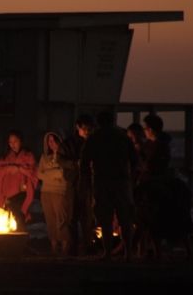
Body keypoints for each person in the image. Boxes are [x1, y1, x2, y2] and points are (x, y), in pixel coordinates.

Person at [82, 111, 135, 261]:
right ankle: (128, 253)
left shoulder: (94, 138)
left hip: (102, 181)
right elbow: (134, 159)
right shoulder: (123, 137)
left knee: (105, 218)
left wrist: (85, 182)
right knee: (125, 217)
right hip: (121, 182)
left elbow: (85, 162)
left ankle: (108, 253)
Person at [0, 130, 37, 231]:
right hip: (8, 195)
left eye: (15, 141)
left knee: (20, 221)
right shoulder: (6, 157)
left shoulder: (28, 156)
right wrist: (10, 168)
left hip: (21, 194)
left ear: (21, 141)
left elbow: (33, 173)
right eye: (10, 142)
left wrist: (20, 169)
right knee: (10, 223)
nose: (13, 145)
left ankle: (22, 244)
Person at [37, 132, 75, 256]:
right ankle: (54, 246)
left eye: (54, 140)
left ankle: (65, 246)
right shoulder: (44, 157)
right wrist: (54, 173)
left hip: (60, 191)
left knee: (61, 219)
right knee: (50, 220)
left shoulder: (64, 157)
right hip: (46, 191)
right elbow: (39, 174)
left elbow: (63, 174)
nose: (52, 143)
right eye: (49, 141)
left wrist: (49, 173)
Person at [65, 114, 96, 255]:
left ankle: (88, 246)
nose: (87, 131)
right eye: (85, 128)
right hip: (73, 182)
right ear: (78, 127)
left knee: (87, 217)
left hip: (88, 184)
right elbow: (60, 159)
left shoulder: (94, 142)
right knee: (72, 216)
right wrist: (75, 164)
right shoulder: (69, 142)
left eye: (90, 128)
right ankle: (73, 246)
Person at [139, 114, 171, 184]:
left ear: (150, 130)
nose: (144, 131)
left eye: (144, 128)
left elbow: (151, 165)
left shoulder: (159, 146)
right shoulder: (150, 143)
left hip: (153, 181)